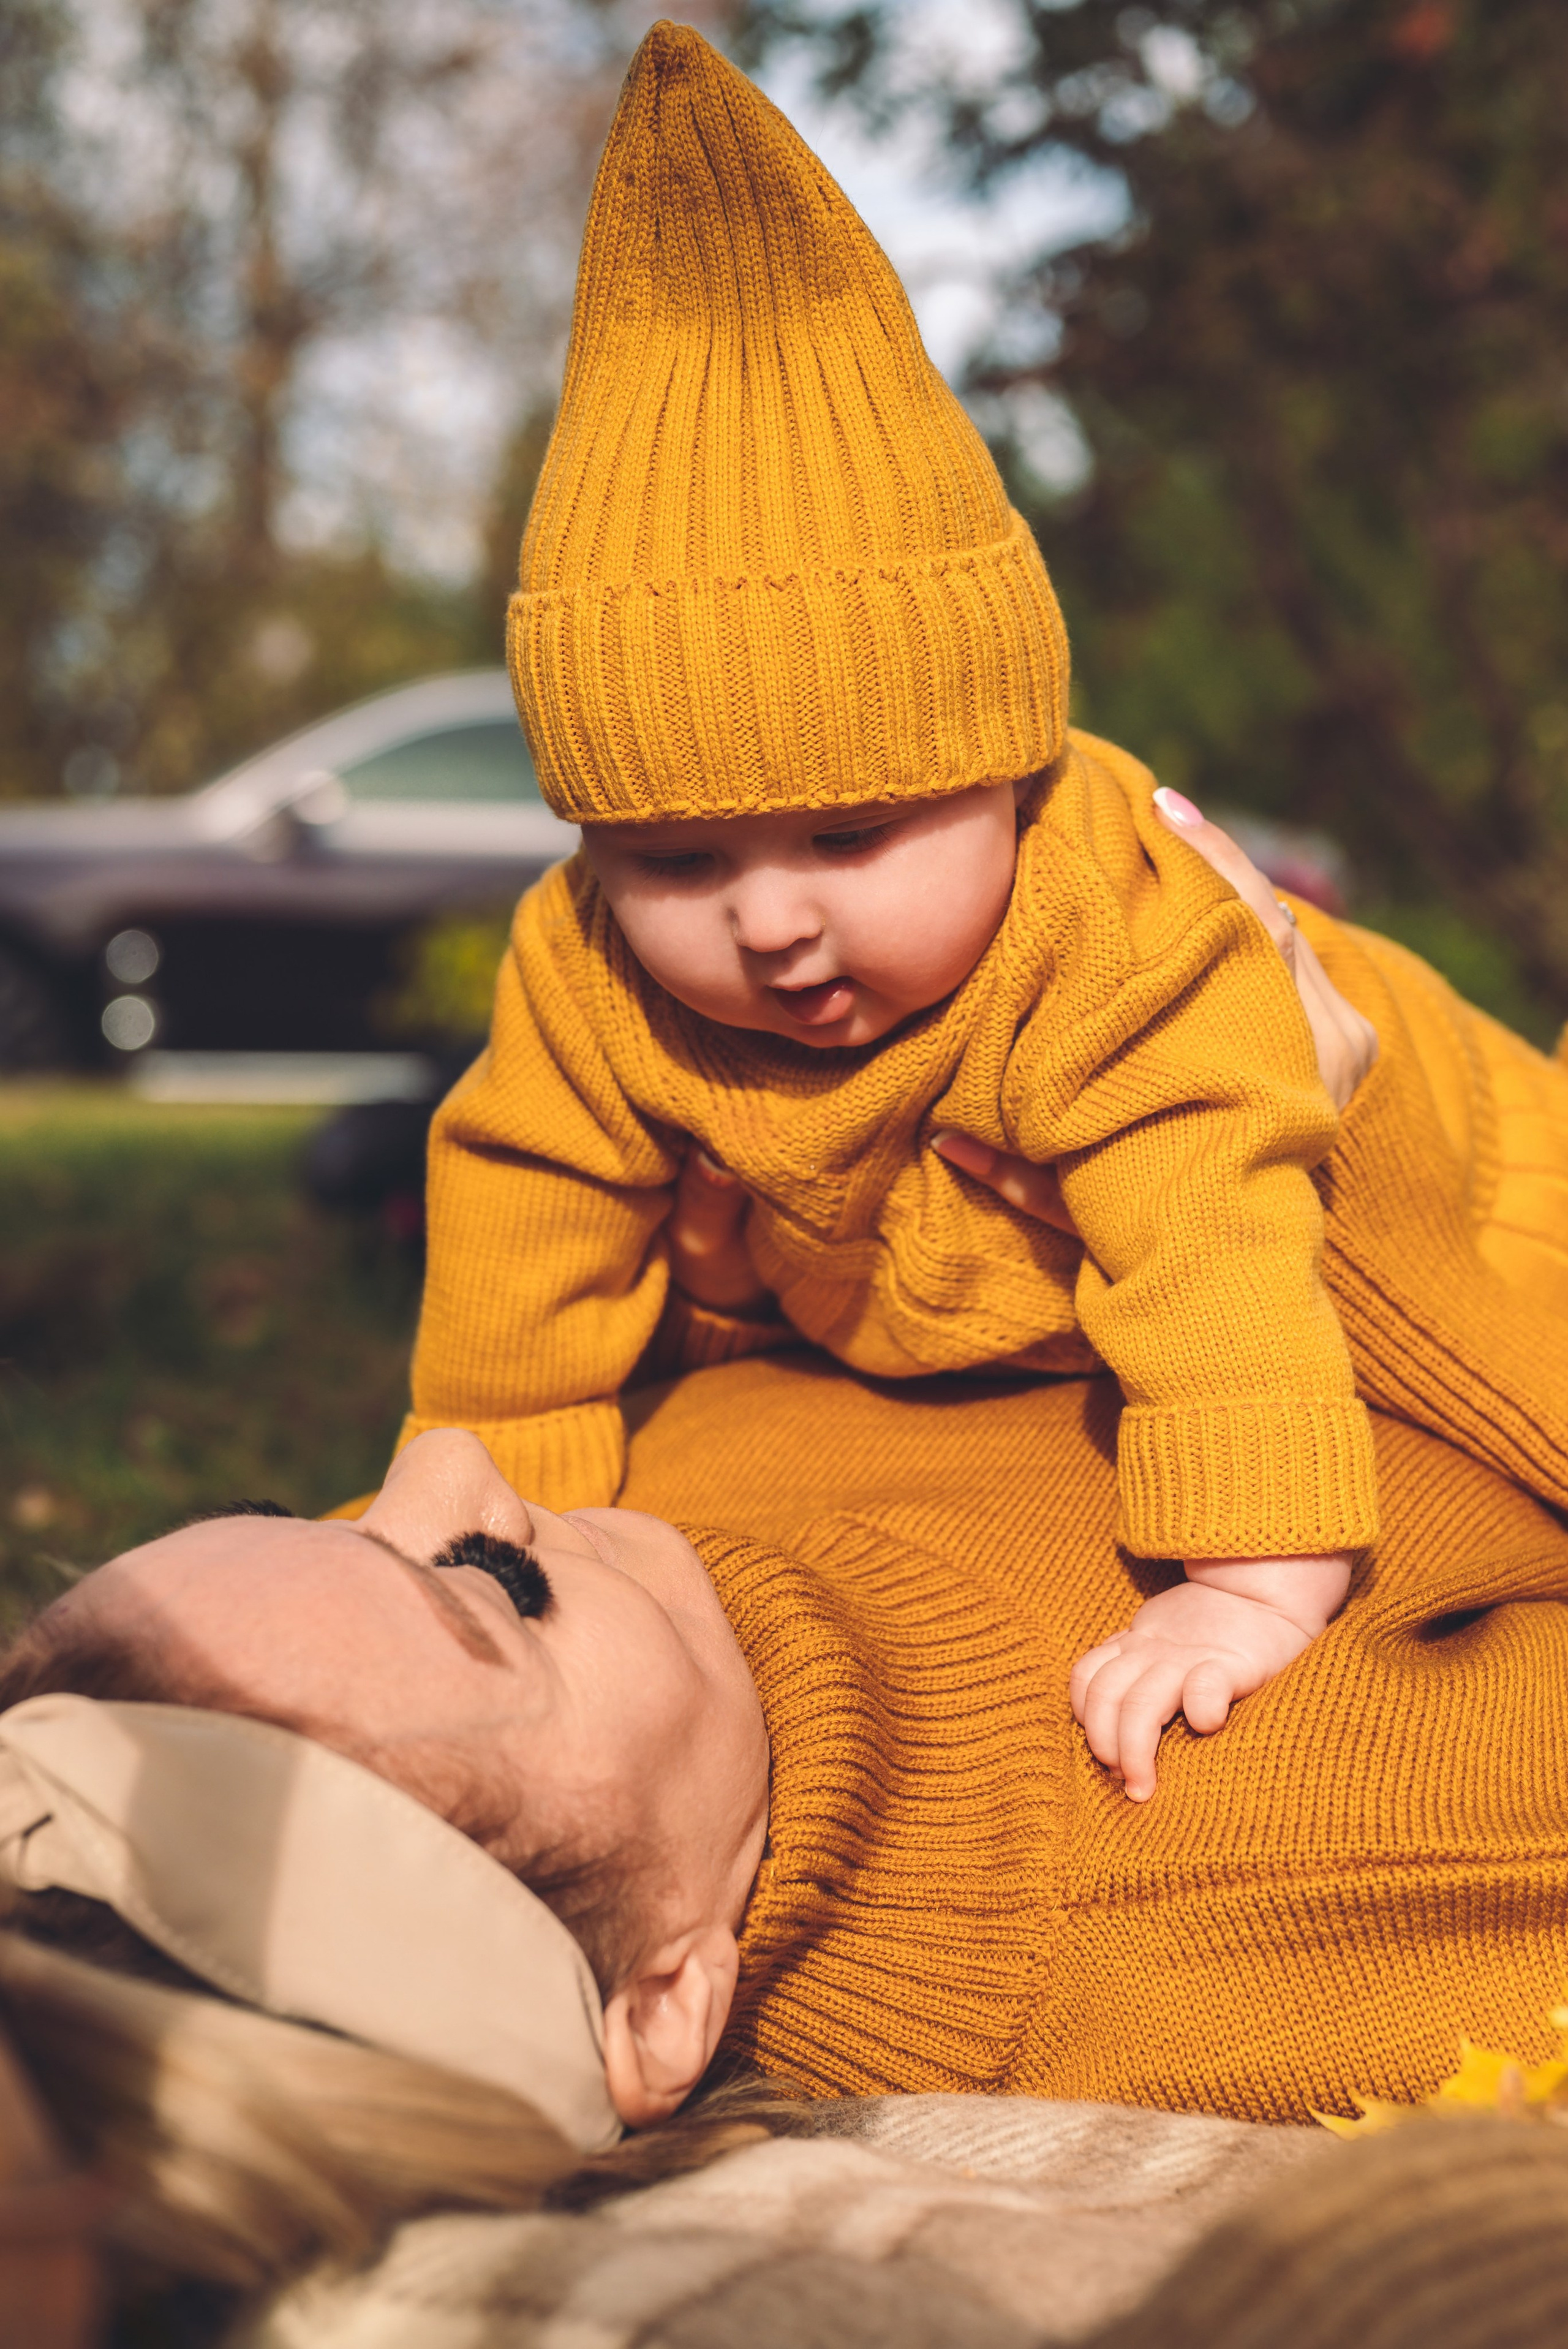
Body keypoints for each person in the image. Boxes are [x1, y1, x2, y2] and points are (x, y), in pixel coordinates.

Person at [405, 22, 1568, 1801]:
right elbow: (527, 1220)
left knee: (1492, 1460)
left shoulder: (1110, 921)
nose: (772, 922)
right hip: (1003, 1324)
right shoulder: (587, 971)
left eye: (851, 833)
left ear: (1004, 767)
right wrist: (485, 1483)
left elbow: (1209, 1245)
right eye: (679, 864)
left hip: (1466, 1187)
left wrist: (1249, 1581)